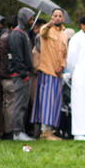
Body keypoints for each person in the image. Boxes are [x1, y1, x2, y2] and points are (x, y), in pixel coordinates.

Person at [31, 8, 68, 140]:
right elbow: (43, 32)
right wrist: (49, 24)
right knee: (47, 102)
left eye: (60, 16)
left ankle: (50, 131)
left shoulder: (64, 34)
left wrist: (62, 66)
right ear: (51, 17)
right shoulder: (46, 30)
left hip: (58, 73)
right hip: (47, 71)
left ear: (63, 18)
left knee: (55, 103)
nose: (57, 18)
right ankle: (44, 132)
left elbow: (65, 54)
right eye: (55, 16)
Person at [2, 8, 34, 140]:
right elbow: (17, 57)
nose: (32, 21)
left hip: (24, 74)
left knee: (23, 104)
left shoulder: (23, 33)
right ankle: (17, 132)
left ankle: (20, 131)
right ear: (24, 18)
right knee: (19, 104)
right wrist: (24, 73)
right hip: (20, 75)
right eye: (30, 18)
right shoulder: (16, 34)